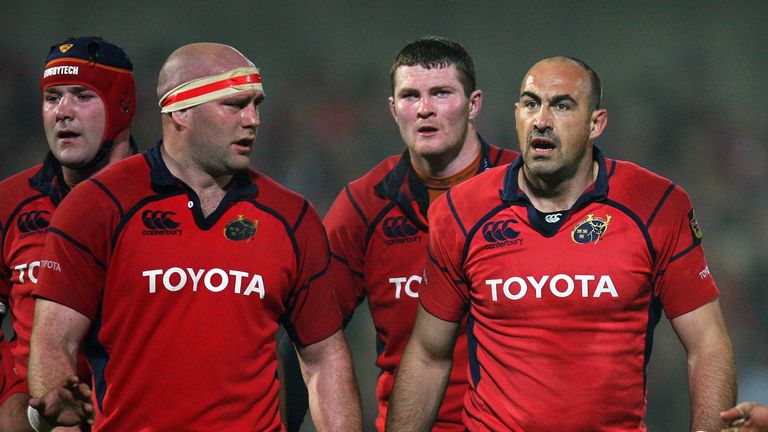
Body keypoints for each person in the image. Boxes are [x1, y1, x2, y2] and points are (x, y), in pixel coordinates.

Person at [387, 56, 737, 431]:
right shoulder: (462, 211)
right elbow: (428, 355)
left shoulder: (657, 206)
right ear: (517, 113)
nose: (542, 120)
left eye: (562, 105)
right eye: (531, 103)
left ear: (595, 124)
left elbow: (708, 348)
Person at [27, 42, 362, 431]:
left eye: (256, 105)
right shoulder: (96, 207)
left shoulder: (292, 217)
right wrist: (54, 416)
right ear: (181, 110)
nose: (253, 120)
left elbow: (324, 359)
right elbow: (54, 340)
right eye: (235, 105)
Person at [313, 36, 516, 431]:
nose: (424, 109)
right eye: (410, 96)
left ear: (474, 104)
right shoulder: (363, 205)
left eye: (441, 93)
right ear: (393, 109)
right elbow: (310, 334)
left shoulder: (525, 191)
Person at [0, 36, 138, 431]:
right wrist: (11, 401)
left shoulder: (174, 203)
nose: (63, 111)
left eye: (82, 95)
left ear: (122, 105)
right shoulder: (8, 203)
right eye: (52, 97)